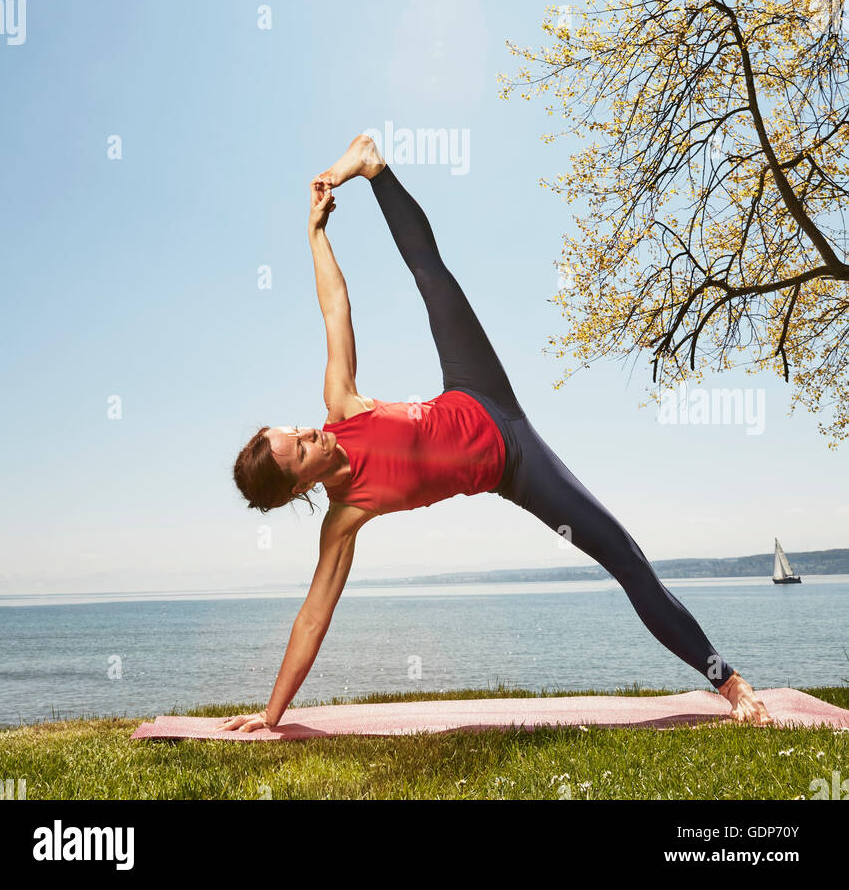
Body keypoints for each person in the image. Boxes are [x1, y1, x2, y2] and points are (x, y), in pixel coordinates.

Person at [222, 135, 772, 731]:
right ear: (298, 486)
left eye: (298, 429)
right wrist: (272, 716)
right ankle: (732, 682)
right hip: (516, 467)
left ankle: (374, 166)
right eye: (299, 448)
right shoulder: (345, 517)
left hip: (476, 388)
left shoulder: (342, 407)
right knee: (621, 555)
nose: (311, 434)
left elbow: (335, 307)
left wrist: (316, 234)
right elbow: (312, 618)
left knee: (432, 279)